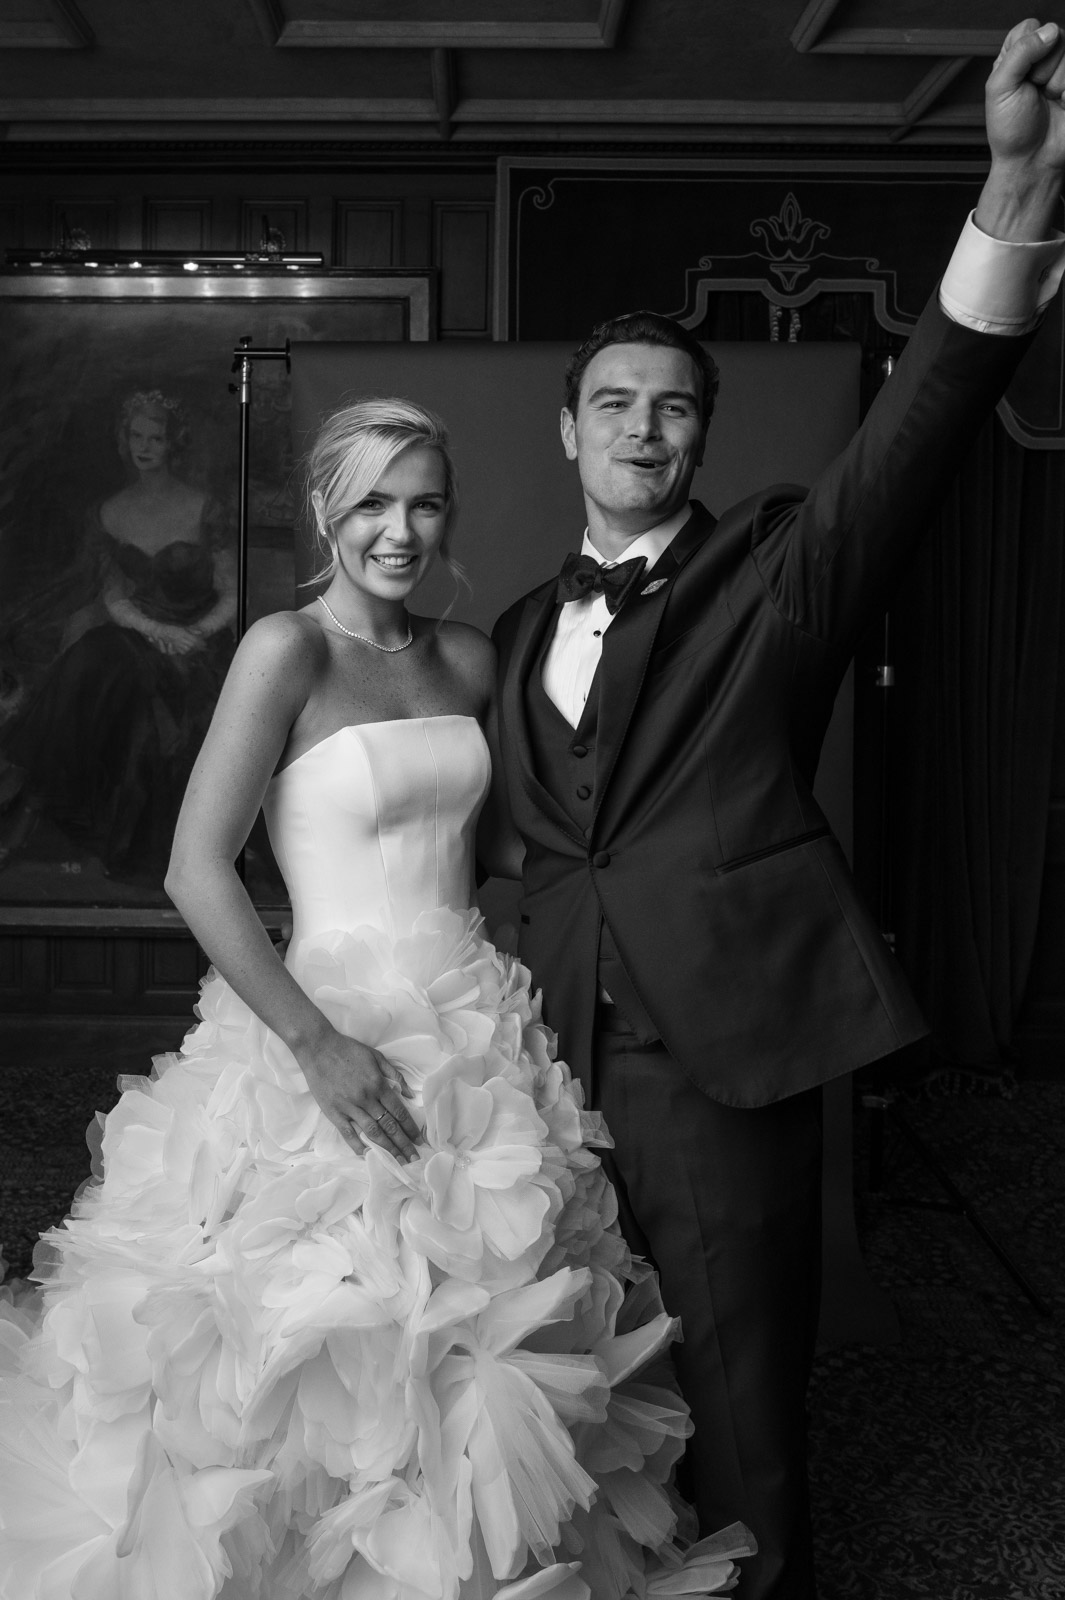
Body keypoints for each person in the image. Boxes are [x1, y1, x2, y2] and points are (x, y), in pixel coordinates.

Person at [489, 20, 1065, 1600]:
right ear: (568, 430)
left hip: (712, 1049)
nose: (642, 427)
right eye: (614, 402)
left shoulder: (775, 571)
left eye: (672, 407)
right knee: (566, 1368)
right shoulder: (522, 626)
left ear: (702, 434)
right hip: (536, 1063)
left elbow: (917, 429)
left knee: (736, 1377)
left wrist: (1016, 192)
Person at [0, 398, 752, 1599]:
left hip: (472, 1026)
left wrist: (669, 856)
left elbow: (507, 847)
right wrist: (316, 1044)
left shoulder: (470, 658)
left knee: (484, 1329)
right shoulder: (283, 651)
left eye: (425, 504)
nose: (399, 531)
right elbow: (196, 867)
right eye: (371, 505)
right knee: (316, 1334)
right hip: (325, 1027)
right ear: (323, 512)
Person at [0, 389, 236, 882]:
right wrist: (155, 630)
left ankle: (114, 836)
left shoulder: (204, 508)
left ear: (173, 444)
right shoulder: (108, 510)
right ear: (123, 441)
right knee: (93, 656)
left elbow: (231, 591)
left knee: (129, 681)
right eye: (136, 436)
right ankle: (38, 805)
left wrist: (193, 632)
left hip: (201, 640)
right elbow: (113, 595)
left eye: (155, 437)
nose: (143, 447)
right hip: (138, 632)